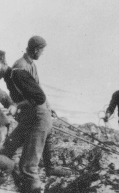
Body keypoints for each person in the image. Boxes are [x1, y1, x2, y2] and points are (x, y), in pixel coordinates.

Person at [0, 49, 50, 193]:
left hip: (39, 119)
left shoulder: (18, 74)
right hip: (28, 120)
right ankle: (5, 188)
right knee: (5, 151)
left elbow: (40, 97)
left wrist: (17, 106)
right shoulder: (9, 79)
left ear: (4, 63)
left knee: (27, 166)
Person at [12, 36, 71, 177]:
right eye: (42, 50)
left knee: (48, 131)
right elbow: (21, 95)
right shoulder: (21, 66)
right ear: (36, 49)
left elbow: (37, 89)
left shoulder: (31, 64)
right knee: (33, 138)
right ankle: (26, 173)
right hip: (28, 110)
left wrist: (48, 107)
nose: (42, 53)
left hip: (37, 107)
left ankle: (50, 168)